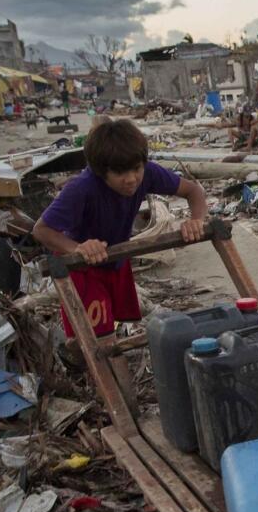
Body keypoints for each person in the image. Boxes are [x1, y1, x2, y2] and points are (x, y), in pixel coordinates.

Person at [33, 117, 208, 363]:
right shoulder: (82, 188)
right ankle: (94, 374)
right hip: (83, 268)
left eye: (136, 169)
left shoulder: (146, 174)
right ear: (100, 171)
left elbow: (194, 191)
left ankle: (77, 354)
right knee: (102, 345)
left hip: (116, 259)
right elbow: (41, 230)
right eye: (119, 173)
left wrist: (196, 220)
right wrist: (78, 248)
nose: (131, 179)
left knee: (110, 330)